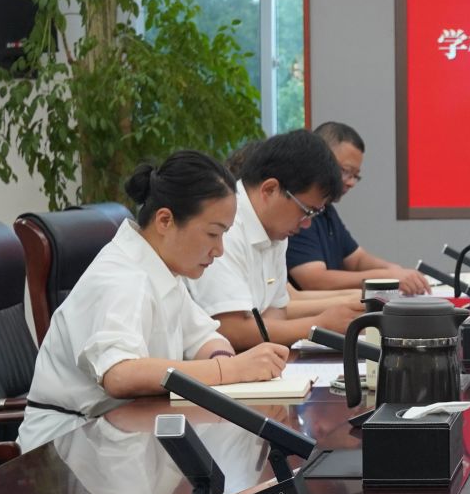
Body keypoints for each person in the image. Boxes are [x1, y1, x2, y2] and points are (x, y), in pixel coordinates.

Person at [17, 151, 289, 453]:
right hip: (69, 447)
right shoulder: (122, 277)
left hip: (129, 430)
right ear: (165, 220)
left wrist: (223, 362)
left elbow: (204, 337)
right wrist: (231, 371)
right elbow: (120, 374)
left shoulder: (162, 268)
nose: (219, 250)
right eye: (213, 234)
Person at [192, 130, 366, 350]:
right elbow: (230, 329)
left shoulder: (275, 229)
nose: (306, 224)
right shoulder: (226, 226)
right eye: (306, 211)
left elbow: (277, 311)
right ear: (270, 189)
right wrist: (318, 325)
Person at [284, 122, 432, 297]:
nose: (351, 182)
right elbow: (314, 280)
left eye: (355, 176)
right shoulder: (299, 211)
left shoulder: (327, 209)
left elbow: (356, 259)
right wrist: (386, 277)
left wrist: (394, 270)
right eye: (346, 171)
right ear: (322, 159)